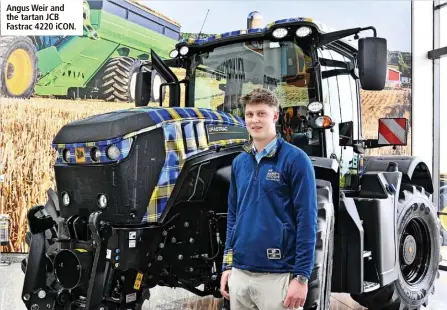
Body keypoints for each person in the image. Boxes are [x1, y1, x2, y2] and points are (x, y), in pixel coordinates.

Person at [220, 87, 318, 310]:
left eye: (261, 113)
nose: (254, 120)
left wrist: (301, 278)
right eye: (250, 114)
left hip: (278, 276)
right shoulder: (239, 163)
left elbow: (307, 222)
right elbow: (233, 218)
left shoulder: (296, 160)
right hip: (241, 275)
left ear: (275, 116)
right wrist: (227, 266)